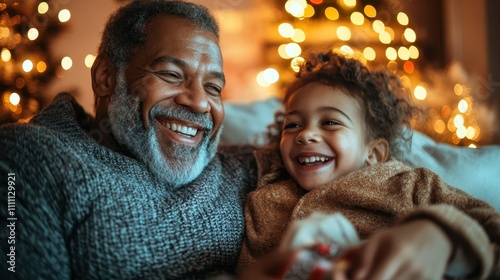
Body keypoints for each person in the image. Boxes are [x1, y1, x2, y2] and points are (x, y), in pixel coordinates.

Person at [0, 1, 276, 279]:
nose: (200, 103)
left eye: (214, 87)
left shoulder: (247, 166)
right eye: (171, 75)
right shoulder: (29, 159)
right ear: (105, 77)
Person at [237, 50, 500, 279]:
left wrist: (444, 237)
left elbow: (487, 226)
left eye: (330, 122)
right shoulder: (264, 201)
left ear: (374, 153)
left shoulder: (408, 184)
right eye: (292, 125)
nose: (305, 135)